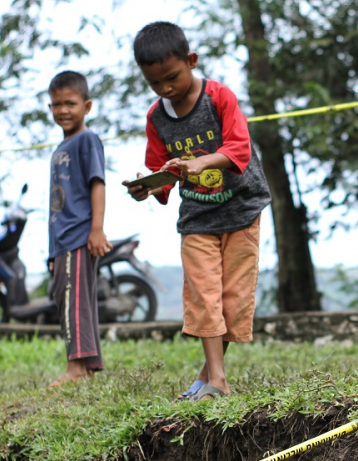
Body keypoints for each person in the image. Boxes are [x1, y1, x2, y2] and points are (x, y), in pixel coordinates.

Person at [124, 21, 271, 401]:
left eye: (171, 77)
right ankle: (218, 382)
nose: (165, 89)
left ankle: (206, 379)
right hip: (198, 219)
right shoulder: (157, 118)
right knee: (205, 297)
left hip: (242, 209)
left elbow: (239, 150)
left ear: (191, 60)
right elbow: (163, 172)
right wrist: (147, 187)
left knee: (232, 299)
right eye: (155, 84)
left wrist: (202, 163)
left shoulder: (219, 98)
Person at [47, 70, 111, 387]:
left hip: (78, 235)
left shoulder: (87, 140)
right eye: (57, 104)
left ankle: (75, 368)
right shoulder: (60, 148)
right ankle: (87, 364)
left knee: (73, 300)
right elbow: (56, 204)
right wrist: (52, 252)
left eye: (70, 103)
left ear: (86, 106)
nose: (63, 110)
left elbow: (97, 184)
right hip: (62, 241)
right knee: (69, 298)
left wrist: (96, 229)